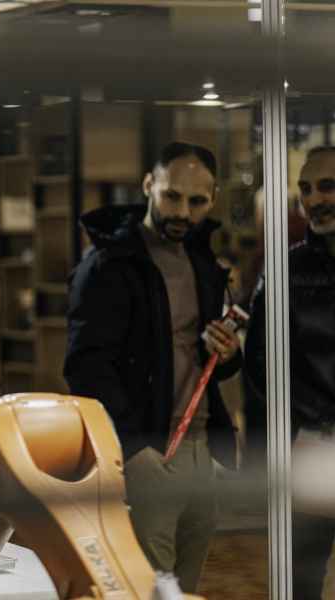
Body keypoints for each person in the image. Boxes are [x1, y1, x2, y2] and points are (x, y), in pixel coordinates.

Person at [63, 142, 242, 593]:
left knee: (186, 588)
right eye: (171, 196)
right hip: (145, 452)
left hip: (201, 448)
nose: (182, 212)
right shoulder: (107, 266)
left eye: (196, 201)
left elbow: (205, 359)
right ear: (148, 185)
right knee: (149, 589)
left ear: (213, 199)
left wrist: (226, 353)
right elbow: (85, 367)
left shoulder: (203, 262)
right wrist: (135, 449)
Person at [245, 145, 335, 599]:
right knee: (299, 582)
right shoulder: (285, 268)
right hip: (308, 446)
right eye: (305, 189)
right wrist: (329, 419)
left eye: (327, 186)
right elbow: (261, 362)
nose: (314, 200)